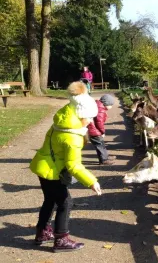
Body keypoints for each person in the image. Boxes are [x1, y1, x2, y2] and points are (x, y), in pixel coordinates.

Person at [30, 81, 102, 252]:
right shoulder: (72, 137)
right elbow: (73, 165)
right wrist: (92, 181)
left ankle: (42, 232)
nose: (91, 121)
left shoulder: (60, 124)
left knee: (50, 200)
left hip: (43, 167)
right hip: (53, 171)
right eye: (89, 117)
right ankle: (61, 239)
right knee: (65, 202)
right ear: (80, 115)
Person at [88, 94, 116, 165]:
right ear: (106, 103)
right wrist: (102, 131)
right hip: (94, 130)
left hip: (94, 129)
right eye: (111, 105)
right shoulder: (100, 110)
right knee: (100, 145)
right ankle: (103, 160)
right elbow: (99, 122)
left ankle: (105, 157)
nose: (111, 107)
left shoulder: (98, 106)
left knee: (101, 144)